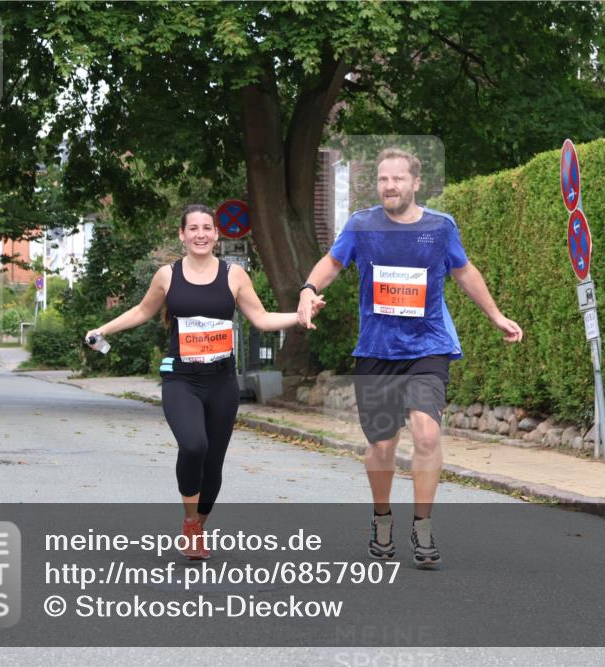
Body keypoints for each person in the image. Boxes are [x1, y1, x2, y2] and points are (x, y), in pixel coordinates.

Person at [297, 148, 523, 569]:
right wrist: (309, 290)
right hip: (377, 350)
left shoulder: (440, 227)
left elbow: (464, 272)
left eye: (398, 179)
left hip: (428, 347)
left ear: (415, 183)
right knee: (382, 446)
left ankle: (422, 525)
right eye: (383, 179)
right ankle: (382, 520)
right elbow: (333, 262)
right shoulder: (362, 225)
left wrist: (496, 315)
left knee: (426, 435)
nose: (390, 186)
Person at [85, 204, 318, 560]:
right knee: (194, 445)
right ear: (182, 235)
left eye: (206, 228)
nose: (200, 234)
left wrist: (300, 316)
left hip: (221, 381)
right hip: (181, 378)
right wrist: (103, 329)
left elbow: (261, 318)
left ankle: (198, 526)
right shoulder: (167, 275)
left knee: (213, 463)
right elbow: (142, 311)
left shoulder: (234, 276)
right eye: (192, 228)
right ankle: (190, 523)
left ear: (216, 234)